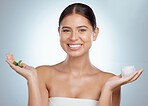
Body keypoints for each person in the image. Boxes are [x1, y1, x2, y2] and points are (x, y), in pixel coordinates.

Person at [6, 3, 144, 106]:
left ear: (94, 34)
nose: (73, 37)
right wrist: (31, 79)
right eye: (66, 30)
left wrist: (107, 89)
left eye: (82, 30)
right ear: (59, 32)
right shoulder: (42, 74)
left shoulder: (110, 81)